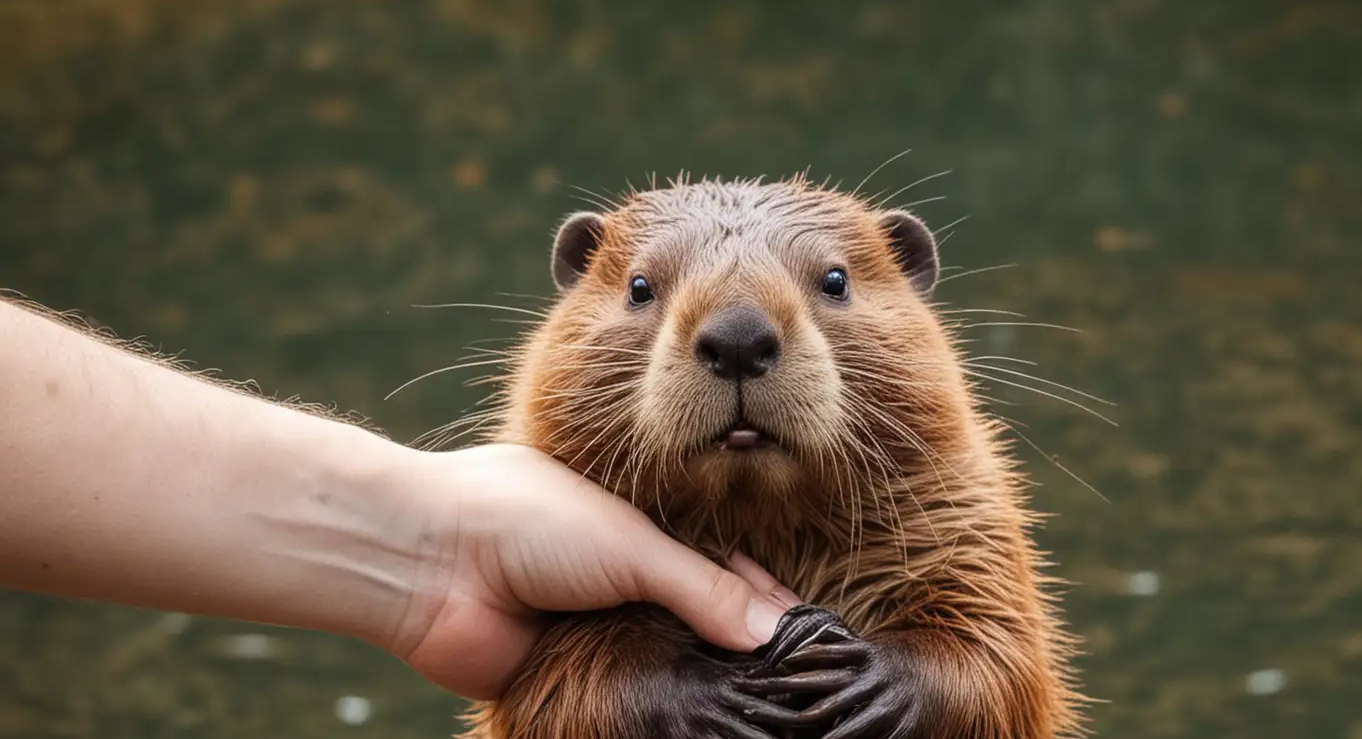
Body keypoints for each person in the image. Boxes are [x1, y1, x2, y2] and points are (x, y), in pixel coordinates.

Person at [0, 299, 797, 698]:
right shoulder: (563, 587)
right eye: (641, 290)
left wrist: (912, 691)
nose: (732, 336)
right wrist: (648, 705)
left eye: (833, 286)